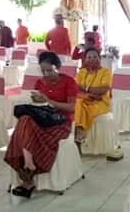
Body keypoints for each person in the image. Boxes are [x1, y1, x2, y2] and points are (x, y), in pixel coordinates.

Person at [4, 51, 77, 199]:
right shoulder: (40, 82)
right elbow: (39, 105)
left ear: (57, 67)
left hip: (60, 122)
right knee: (24, 119)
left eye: (50, 70)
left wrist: (49, 101)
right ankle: (29, 165)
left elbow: (71, 108)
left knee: (24, 126)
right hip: (42, 119)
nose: (46, 74)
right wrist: (36, 100)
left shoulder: (69, 82)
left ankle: (28, 178)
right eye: (43, 71)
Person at [74, 48, 112, 143]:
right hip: (85, 99)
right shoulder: (81, 72)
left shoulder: (105, 72)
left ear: (99, 58)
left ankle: (80, 132)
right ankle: (81, 131)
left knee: (80, 105)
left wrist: (85, 88)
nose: (92, 59)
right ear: (85, 60)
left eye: (95, 57)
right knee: (79, 103)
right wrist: (90, 94)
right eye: (89, 57)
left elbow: (103, 90)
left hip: (101, 102)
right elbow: (75, 88)